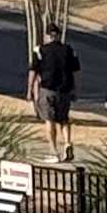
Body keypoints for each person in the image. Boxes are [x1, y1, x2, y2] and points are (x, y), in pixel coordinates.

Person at [34, 24, 80, 160]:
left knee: (49, 120)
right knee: (64, 119)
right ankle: (67, 142)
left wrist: (31, 89)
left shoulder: (41, 50)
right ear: (59, 35)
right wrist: (75, 88)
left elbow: (34, 71)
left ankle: (54, 151)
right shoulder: (68, 50)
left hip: (47, 90)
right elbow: (76, 71)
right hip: (65, 90)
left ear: (48, 36)